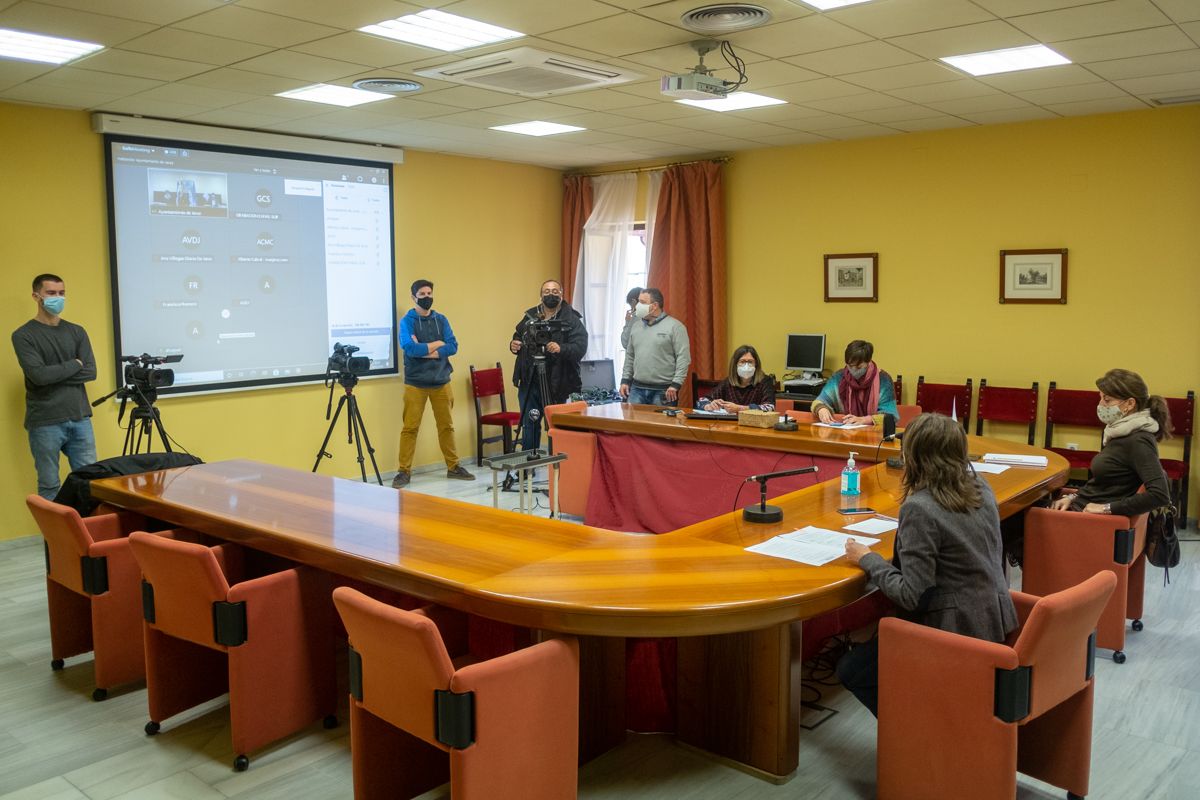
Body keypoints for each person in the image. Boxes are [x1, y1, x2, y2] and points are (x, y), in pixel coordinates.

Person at [837, 413, 1016, 716]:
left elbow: (913, 595)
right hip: (993, 617)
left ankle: (915, 727)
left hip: (952, 631)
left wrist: (867, 558)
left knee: (851, 670)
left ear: (913, 456)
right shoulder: (980, 486)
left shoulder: (920, 507)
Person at [12, 274, 98, 500]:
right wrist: (74, 364)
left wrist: (53, 373)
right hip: (45, 421)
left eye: (61, 293)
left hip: (80, 417)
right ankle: (52, 536)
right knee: (50, 485)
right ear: (36, 296)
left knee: (90, 483)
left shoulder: (77, 331)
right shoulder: (23, 335)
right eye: (51, 293)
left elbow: (90, 371)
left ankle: (88, 534)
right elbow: (38, 376)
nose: (57, 298)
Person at [1049, 368, 1172, 517]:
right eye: (1100, 398)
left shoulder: (1138, 440)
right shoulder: (1120, 432)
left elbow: (1160, 495)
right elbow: (1106, 484)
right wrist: (1072, 497)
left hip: (1087, 520)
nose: (1100, 405)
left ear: (1130, 404)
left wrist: (1106, 508)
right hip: (1079, 507)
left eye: (1107, 400)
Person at [392, 279, 475, 488]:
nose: (427, 297)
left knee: (446, 426)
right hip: (415, 384)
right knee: (410, 428)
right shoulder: (407, 321)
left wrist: (427, 349)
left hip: (441, 382)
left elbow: (453, 346)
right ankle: (403, 471)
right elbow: (409, 348)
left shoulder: (441, 319)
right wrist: (438, 345)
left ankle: (453, 467)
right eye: (422, 294)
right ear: (413, 297)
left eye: (430, 293)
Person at [509, 279, 588, 452]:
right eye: (546, 291)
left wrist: (561, 348)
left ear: (561, 294)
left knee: (556, 425)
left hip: (559, 381)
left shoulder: (572, 319)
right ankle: (529, 465)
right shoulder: (530, 316)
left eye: (554, 291)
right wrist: (514, 344)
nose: (550, 295)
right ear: (541, 295)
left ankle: (557, 467)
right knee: (530, 422)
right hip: (530, 379)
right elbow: (518, 335)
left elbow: (581, 347)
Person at [619, 288, 691, 407]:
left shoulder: (676, 327)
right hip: (636, 389)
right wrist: (625, 380)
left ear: (654, 306)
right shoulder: (636, 326)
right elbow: (630, 355)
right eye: (638, 302)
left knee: (661, 425)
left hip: (664, 391)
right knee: (634, 425)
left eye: (642, 302)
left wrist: (676, 384)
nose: (637, 306)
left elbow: (683, 358)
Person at [811, 339, 898, 426]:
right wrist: (821, 409)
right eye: (850, 366)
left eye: (859, 367)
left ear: (868, 362)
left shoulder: (884, 380)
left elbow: (890, 416)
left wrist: (865, 420)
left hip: (874, 434)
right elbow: (818, 401)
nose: (853, 370)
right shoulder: (839, 377)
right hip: (844, 433)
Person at [702, 344, 776, 412]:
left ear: (756, 365)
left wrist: (740, 408)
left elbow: (770, 407)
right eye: (742, 361)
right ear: (735, 364)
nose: (746, 365)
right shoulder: (728, 382)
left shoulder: (765, 381)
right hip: (731, 425)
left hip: (755, 424)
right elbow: (702, 400)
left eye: (750, 362)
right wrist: (709, 405)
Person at [619, 285, 643, 351]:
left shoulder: (637, 318)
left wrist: (628, 322)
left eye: (630, 305)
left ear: (633, 301)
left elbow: (625, 343)